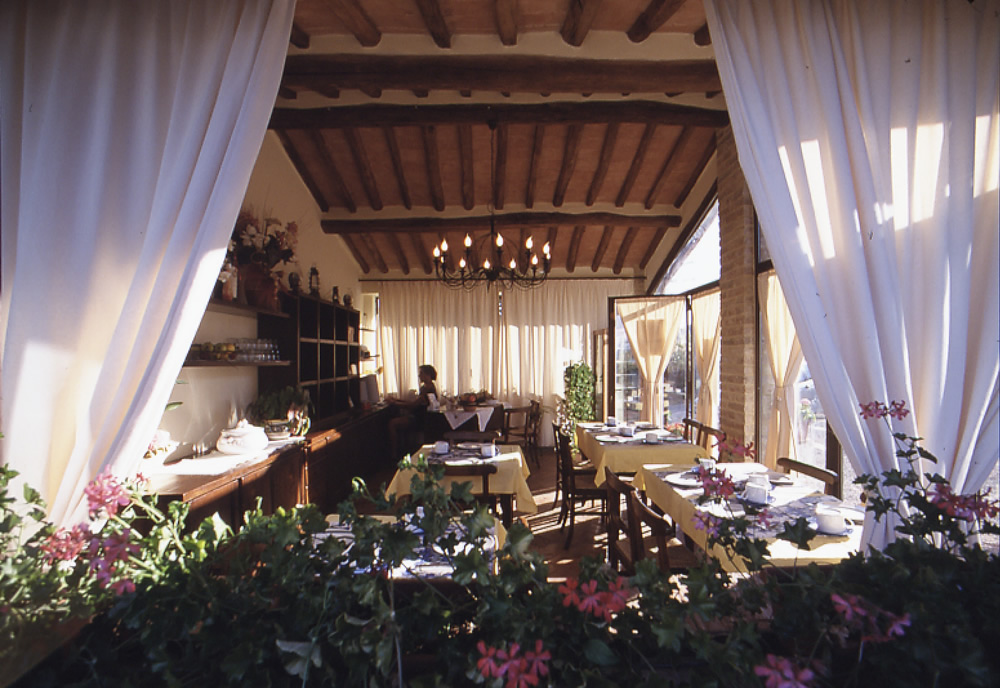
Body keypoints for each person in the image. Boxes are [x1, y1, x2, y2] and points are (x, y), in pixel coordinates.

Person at [388, 364, 438, 459]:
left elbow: (412, 405)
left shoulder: (428, 389)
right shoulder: (426, 387)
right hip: (418, 416)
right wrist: (395, 400)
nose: (419, 375)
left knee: (392, 423)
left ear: (428, 375)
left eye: (421, 373)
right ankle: (400, 450)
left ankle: (393, 453)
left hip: (419, 419)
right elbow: (414, 403)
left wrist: (394, 403)